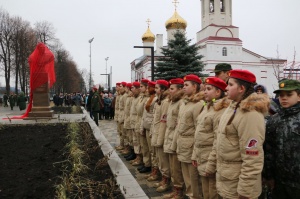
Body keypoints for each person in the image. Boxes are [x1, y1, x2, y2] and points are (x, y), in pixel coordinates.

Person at [215, 69, 269, 199]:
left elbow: (252, 157)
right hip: (228, 180)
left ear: (242, 88)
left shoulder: (250, 114)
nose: (226, 88)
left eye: (230, 85)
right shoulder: (233, 107)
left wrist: (245, 191)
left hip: (240, 187)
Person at [192, 77, 229, 199]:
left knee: (212, 191)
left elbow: (217, 140)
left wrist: (211, 164)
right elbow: (198, 133)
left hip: (210, 158)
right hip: (201, 155)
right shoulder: (207, 107)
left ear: (218, 92)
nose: (205, 91)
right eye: (205, 88)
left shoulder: (220, 111)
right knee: (205, 190)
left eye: (209, 89)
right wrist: (194, 155)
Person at [263, 79, 300, 199]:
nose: (284, 98)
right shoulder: (274, 120)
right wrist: (268, 176)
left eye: (289, 95)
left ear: (299, 96)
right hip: (279, 182)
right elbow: (268, 151)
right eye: (281, 95)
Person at [174, 74, 205, 199]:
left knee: (193, 178)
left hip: (191, 144)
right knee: (186, 176)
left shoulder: (199, 104)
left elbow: (199, 128)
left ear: (195, 86)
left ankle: (194, 196)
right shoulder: (184, 103)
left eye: (187, 85)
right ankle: (189, 194)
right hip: (182, 143)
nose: (184, 88)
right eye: (183, 85)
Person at [162, 78, 185, 199]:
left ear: (180, 89)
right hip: (169, 136)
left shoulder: (181, 102)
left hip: (175, 138)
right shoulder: (172, 101)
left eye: (172, 89)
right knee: (172, 166)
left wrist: (175, 141)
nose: (169, 91)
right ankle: (174, 188)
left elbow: (178, 124)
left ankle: (179, 191)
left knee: (176, 168)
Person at [151, 80, 170, 193]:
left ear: (163, 89)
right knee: (159, 159)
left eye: (157, 88)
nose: (155, 90)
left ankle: (166, 181)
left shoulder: (165, 102)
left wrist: (160, 138)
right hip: (156, 132)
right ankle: (163, 179)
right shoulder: (159, 101)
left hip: (161, 135)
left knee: (164, 161)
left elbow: (163, 121)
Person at [140, 81, 157, 175]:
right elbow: (144, 114)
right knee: (146, 147)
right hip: (146, 125)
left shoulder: (156, 99)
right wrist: (142, 126)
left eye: (149, 87)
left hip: (151, 127)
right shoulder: (149, 98)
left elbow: (154, 116)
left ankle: (154, 169)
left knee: (152, 150)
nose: (147, 89)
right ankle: (147, 164)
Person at [133, 79, 149, 168]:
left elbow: (143, 113)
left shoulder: (147, 98)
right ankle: (141, 159)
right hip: (138, 121)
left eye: (141, 86)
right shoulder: (141, 97)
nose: (140, 88)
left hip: (143, 122)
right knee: (139, 143)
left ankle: (146, 163)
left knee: (144, 146)